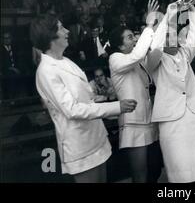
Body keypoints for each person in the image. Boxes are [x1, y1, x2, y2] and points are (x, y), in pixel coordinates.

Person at [30, 14, 136, 182]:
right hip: (79, 145)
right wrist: (117, 107)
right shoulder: (46, 71)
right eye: (61, 28)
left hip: (95, 137)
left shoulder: (65, 60)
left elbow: (87, 98)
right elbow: (72, 110)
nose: (67, 31)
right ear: (50, 36)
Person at [147, 0, 195, 183]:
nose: (172, 38)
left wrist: (192, 10)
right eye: (167, 35)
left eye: (174, 35)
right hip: (170, 121)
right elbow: (156, 45)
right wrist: (168, 15)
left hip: (193, 118)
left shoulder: (185, 54)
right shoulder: (153, 60)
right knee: (178, 173)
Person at [108, 0, 162, 183]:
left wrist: (156, 27)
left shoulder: (137, 60)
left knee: (154, 170)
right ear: (120, 45)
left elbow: (149, 55)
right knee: (140, 175)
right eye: (130, 37)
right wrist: (147, 25)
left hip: (149, 121)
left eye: (134, 35)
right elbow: (139, 52)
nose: (135, 38)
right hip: (133, 124)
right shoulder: (115, 59)